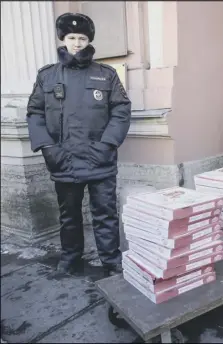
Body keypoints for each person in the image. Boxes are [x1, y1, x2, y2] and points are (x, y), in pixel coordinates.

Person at [26, 13, 131, 277]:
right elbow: (35, 113)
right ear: (63, 39)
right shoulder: (47, 76)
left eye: (82, 38)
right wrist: (48, 149)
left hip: (100, 160)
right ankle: (71, 258)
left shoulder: (106, 75)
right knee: (69, 216)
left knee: (105, 215)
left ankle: (111, 262)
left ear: (89, 41)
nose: (77, 43)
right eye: (72, 37)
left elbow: (121, 110)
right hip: (64, 160)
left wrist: (107, 145)